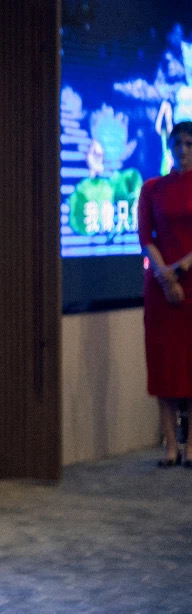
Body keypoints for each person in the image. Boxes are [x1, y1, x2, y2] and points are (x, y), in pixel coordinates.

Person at [139, 120, 192, 467]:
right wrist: (164, 275)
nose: (183, 150)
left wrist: (180, 270)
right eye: (177, 144)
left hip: (190, 281)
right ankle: (171, 446)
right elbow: (146, 237)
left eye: (189, 144)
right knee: (163, 366)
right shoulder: (152, 188)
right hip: (161, 290)